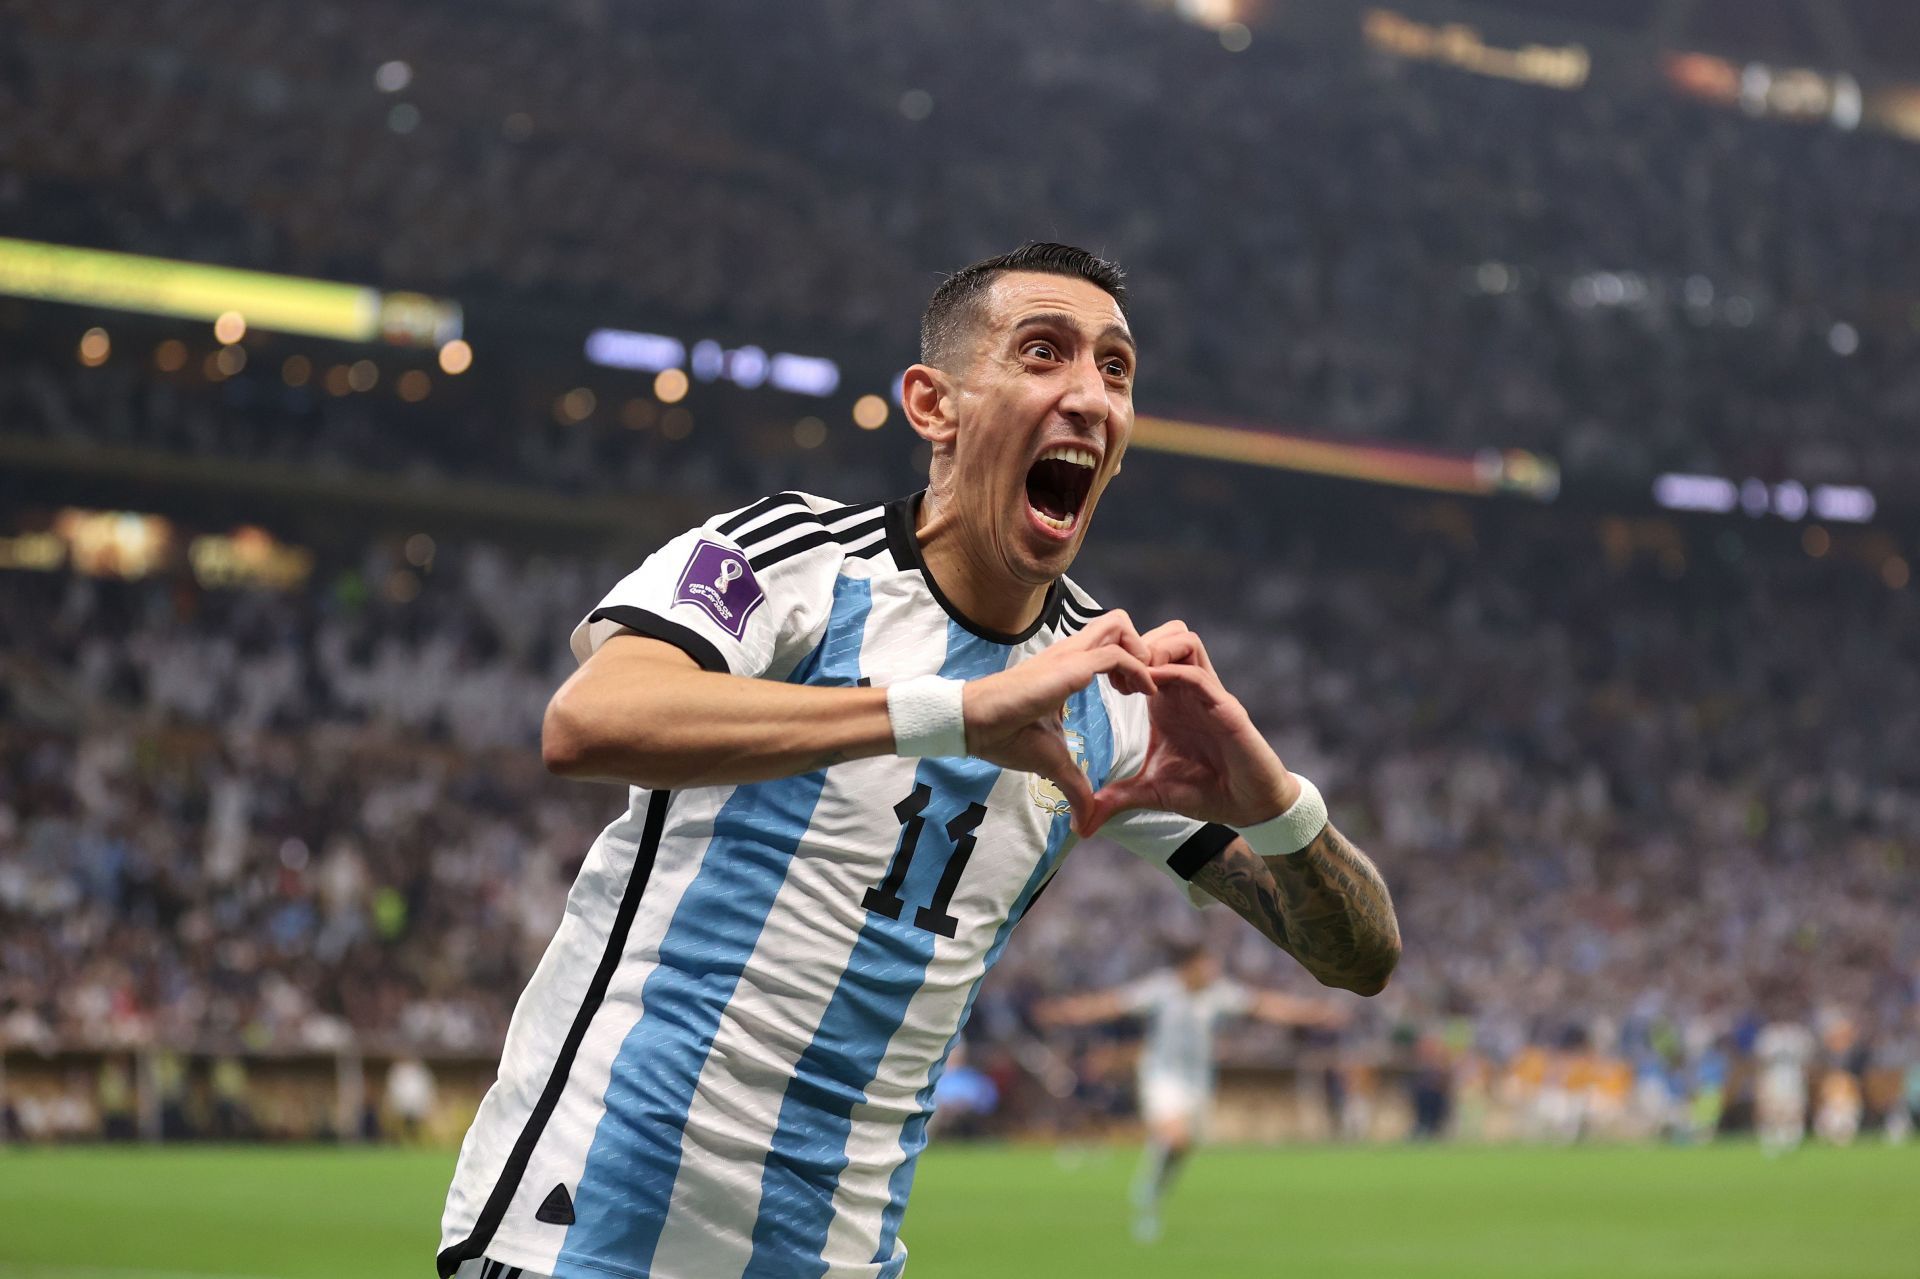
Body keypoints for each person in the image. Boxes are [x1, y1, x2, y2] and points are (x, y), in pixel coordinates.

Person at [437, 242, 1402, 1279]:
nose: (1089, 395)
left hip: (842, 1257)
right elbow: (589, 719)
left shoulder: (1108, 695)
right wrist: (949, 712)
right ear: (933, 404)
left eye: (1115, 370)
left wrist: (1276, 803)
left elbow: (1360, 956)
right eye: (1044, 353)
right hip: (588, 1231)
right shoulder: (798, 559)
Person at [1038, 940, 1347, 1241]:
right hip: (1161, 1075)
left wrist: (1311, 1013)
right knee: (1176, 1136)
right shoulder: (1162, 989)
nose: (1212, 971)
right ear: (1188, 967)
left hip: (1198, 1079)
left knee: (1183, 1146)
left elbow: (1264, 1005)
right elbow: (1112, 1004)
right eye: (1205, 965)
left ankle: (1153, 1185)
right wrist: (1068, 1011)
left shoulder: (1218, 994)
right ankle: (1146, 1195)